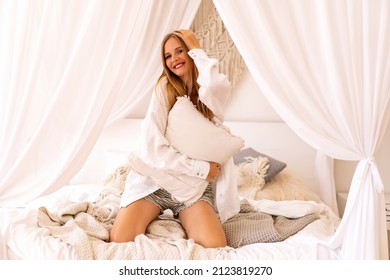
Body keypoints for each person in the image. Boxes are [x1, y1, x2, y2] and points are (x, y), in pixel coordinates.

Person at [109, 29, 240, 248]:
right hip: (155, 182)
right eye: (168, 55)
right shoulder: (164, 88)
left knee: (215, 245)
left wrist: (196, 46)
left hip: (193, 188)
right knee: (120, 240)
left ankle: (187, 214)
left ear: (191, 52)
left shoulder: (211, 91)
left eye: (180, 51)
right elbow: (151, 149)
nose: (174, 59)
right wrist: (200, 168)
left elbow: (215, 85)